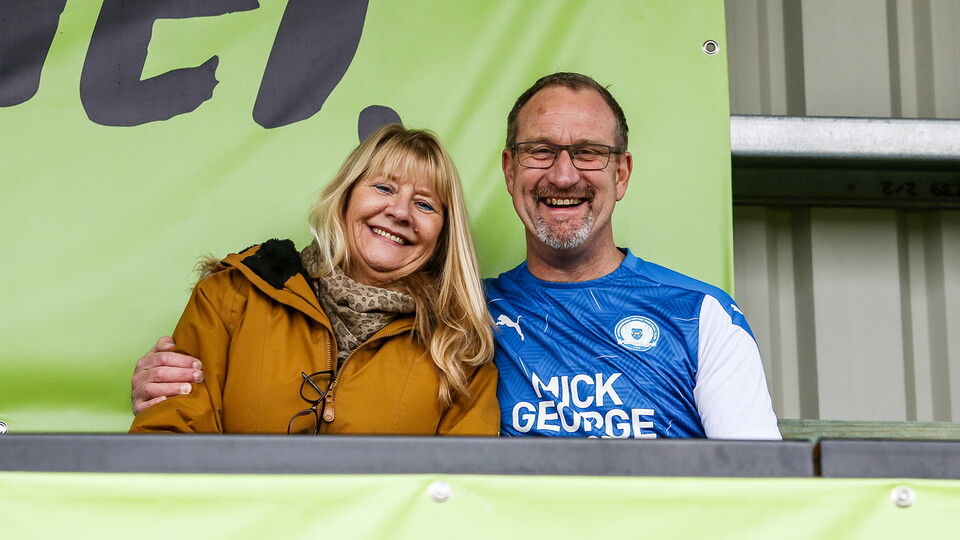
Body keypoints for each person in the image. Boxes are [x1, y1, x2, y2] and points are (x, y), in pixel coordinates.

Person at [132, 72, 779, 440]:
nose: (563, 173)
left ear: (622, 172)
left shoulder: (699, 316)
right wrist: (166, 387)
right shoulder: (469, 318)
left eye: (588, 153)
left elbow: (764, 497)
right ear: (510, 169)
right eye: (540, 151)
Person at [129, 124, 499, 435]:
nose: (400, 212)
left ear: (443, 235)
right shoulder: (231, 295)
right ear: (345, 197)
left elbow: (467, 487)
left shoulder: (460, 352)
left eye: (424, 204)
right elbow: (167, 438)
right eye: (384, 188)